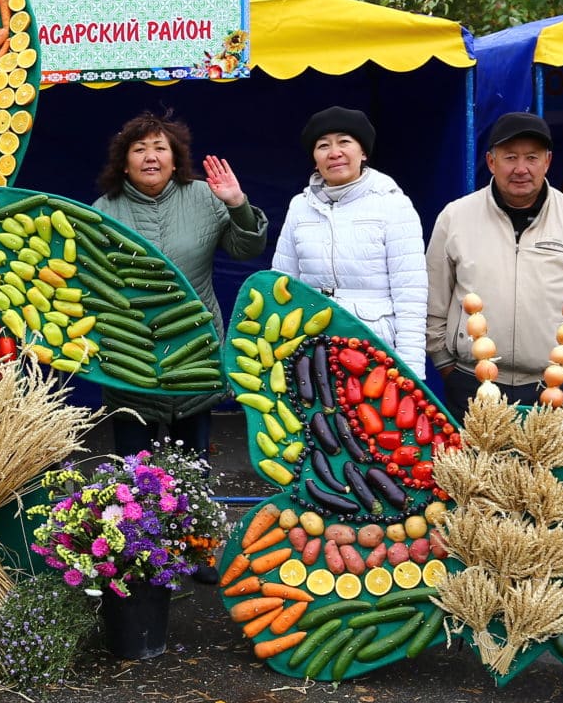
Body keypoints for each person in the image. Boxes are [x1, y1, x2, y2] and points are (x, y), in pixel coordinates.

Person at [94, 112, 268, 456]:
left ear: (175, 161)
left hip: (196, 355)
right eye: (139, 149)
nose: (150, 156)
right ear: (124, 165)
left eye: (160, 148)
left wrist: (237, 203)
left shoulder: (204, 197)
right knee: (131, 474)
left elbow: (246, 249)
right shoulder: (103, 210)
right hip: (131, 358)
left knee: (193, 471)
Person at [425, 112, 563, 417]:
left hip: (558, 385)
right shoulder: (455, 217)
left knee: (553, 467)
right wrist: (444, 362)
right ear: (491, 161)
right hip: (472, 382)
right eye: (510, 157)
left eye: (531, 157)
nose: (521, 169)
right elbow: (434, 294)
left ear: (547, 162)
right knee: (474, 467)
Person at [270, 106, 426, 363]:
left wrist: (412, 366)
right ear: (314, 158)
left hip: (373, 345)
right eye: (323, 146)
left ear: (363, 151)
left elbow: (410, 293)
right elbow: (282, 284)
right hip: (310, 346)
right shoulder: (300, 205)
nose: (334, 153)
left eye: (345, 142)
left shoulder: (392, 204)